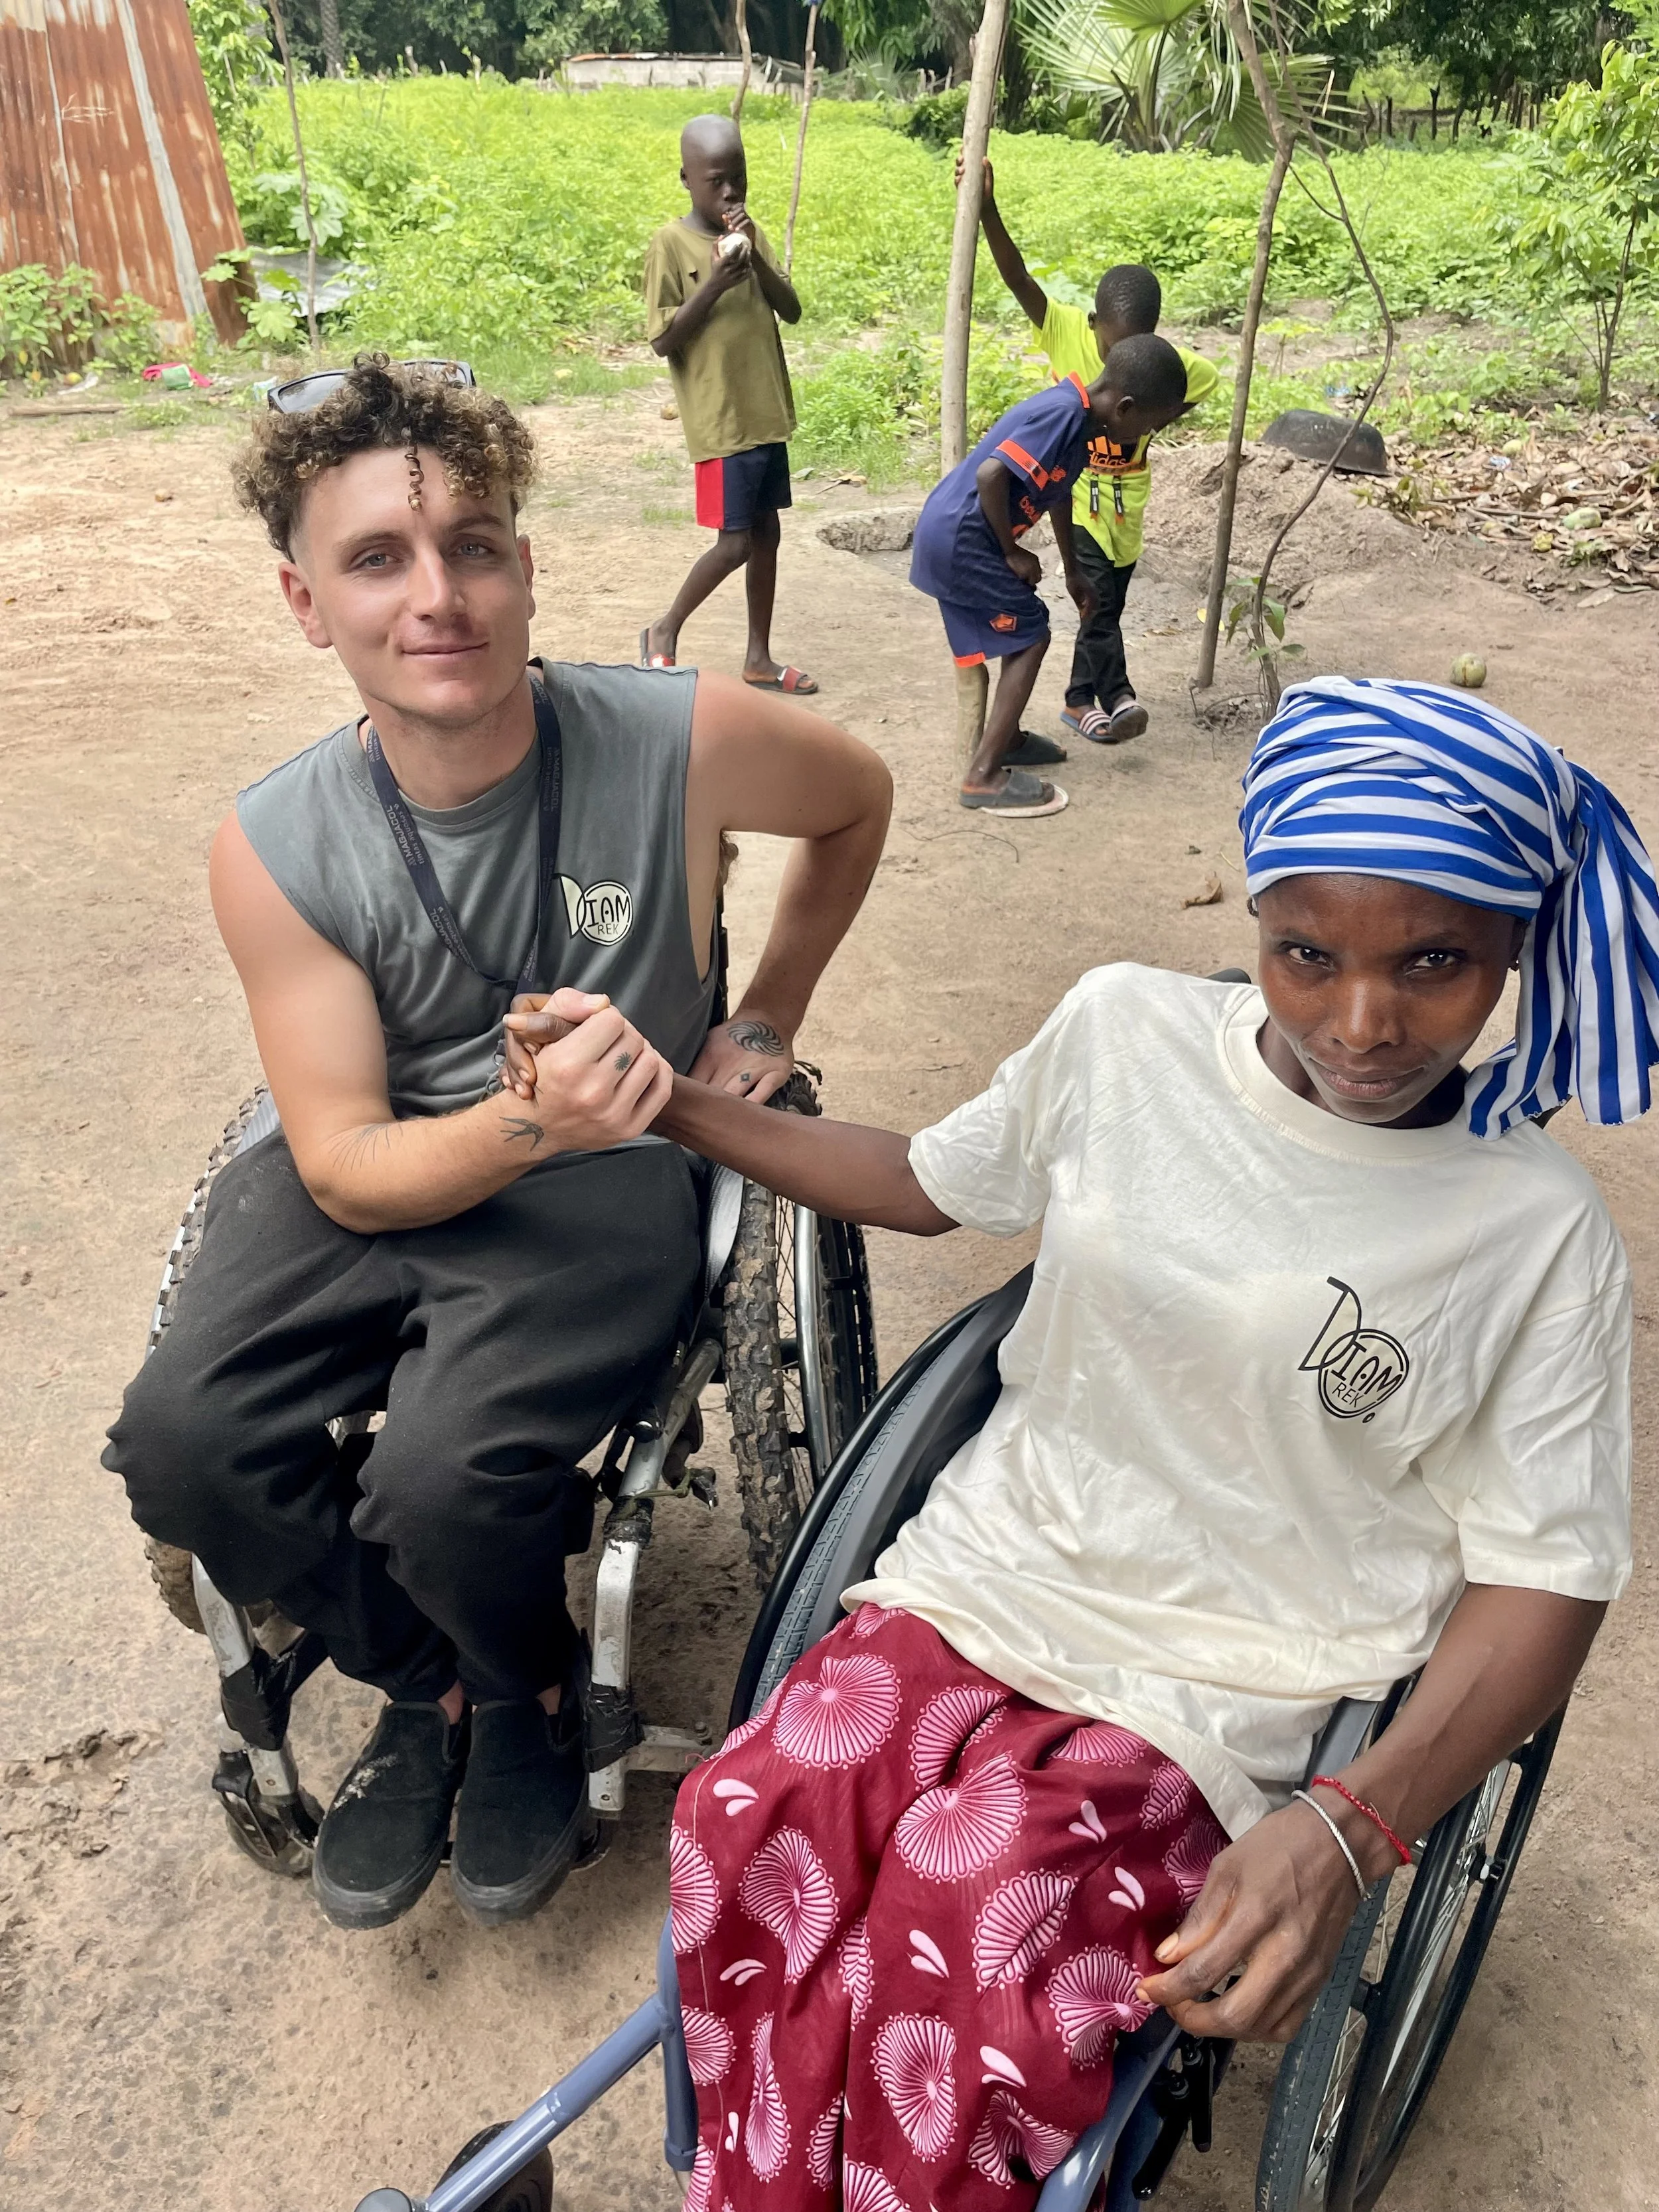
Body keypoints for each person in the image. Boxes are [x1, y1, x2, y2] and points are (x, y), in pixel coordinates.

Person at [539, 678, 1652, 2207]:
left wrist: (1355, 1825)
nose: (1364, 1021)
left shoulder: (1535, 1235)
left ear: (1516, 943)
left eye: (1437, 963)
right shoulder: (1126, 1032)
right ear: (1257, 913)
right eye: (1305, 954)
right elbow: (930, 1181)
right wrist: (670, 1105)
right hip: (995, 1576)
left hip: (1230, 1675)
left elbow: (1547, 1577)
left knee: (964, 1907)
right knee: (745, 1818)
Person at [103, 357, 891, 1935]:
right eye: (377, 559)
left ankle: (523, 1680)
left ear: (526, 569)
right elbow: (341, 1164)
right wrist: (521, 1113)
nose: (436, 594)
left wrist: (769, 1012)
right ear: (305, 603)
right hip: (394, 1156)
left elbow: (857, 799)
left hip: (607, 1165)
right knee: (185, 1448)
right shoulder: (278, 845)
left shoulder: (679, 739)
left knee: (446, 1480)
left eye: (472, 545)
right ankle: (429, 1683)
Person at [965, 155, 1219, 745]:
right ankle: (1118, 694)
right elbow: (1019, 280)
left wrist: (1156, 418)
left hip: (1130, 500)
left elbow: (1201, 382)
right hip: (1075, 497)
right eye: (1114, 348)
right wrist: (987, 211)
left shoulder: (1165, 366)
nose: (1123, 366)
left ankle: (1080, 697)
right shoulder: (1063, 330)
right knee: (1099, 598)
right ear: (1094, 323)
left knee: (1103, 604)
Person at [908, 337, 1191, 817]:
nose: (1150, 435)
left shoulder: (1083, 421)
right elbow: (993, 475)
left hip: (955, 534)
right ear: (1125, 408)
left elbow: (1057, 491)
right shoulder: (1063, 413)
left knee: (1019, 625)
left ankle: (1007, 738)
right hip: (961, 538)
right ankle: (982, 777)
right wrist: (1011, 551)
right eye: (1152, 425)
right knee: (1032, 633)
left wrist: (1074, 570)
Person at [641, 115, 816, 694]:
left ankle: (759, 657)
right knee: (736, 541)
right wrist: (714, 282)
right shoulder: (670, 245)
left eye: (738, 178)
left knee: (767, 535)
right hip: (721, 422)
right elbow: (664, 339)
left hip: (764, 411)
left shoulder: (752, 233)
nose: (731, 193)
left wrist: (755, 262)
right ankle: (664, 628)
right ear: (686, 179)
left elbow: (789, 308)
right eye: (717, 180)